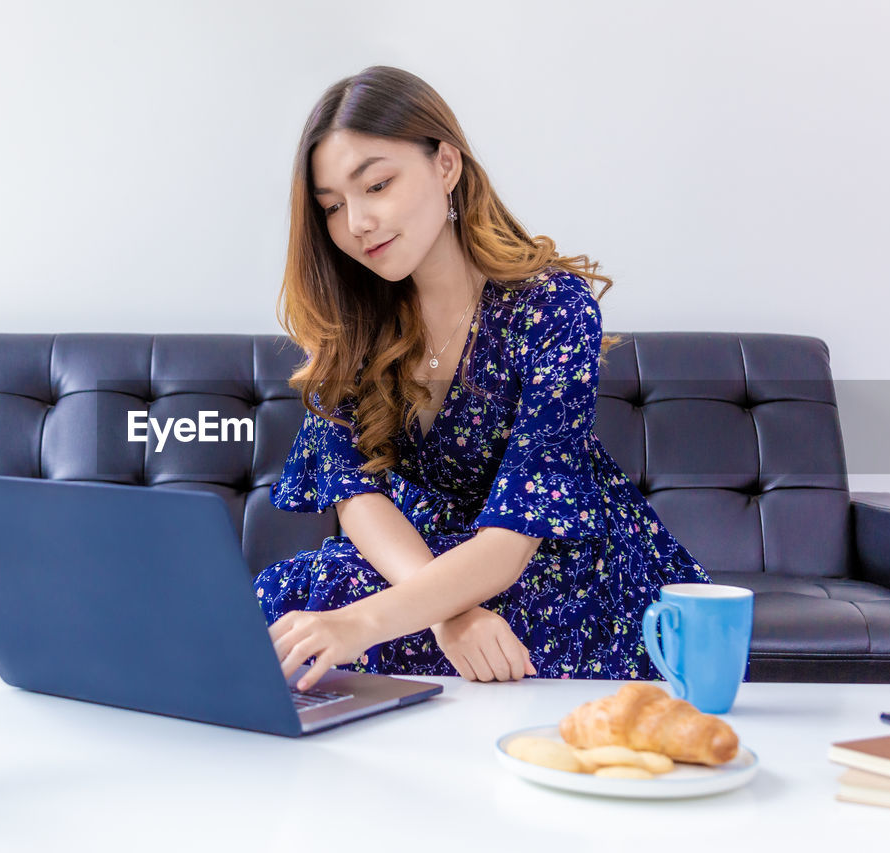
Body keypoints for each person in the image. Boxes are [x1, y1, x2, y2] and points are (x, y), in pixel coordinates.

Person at [255, 65, 713, 693]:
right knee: (296, 602)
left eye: (378, 184)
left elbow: (513, 539)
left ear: (446, 165)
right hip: (419, 555)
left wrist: (370, 622)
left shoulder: (552, 306)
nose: (356, 223)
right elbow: (355, 496)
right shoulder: (356, 320)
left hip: (551, 559)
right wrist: (446, 612)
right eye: (332, 207)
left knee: (448, 625)